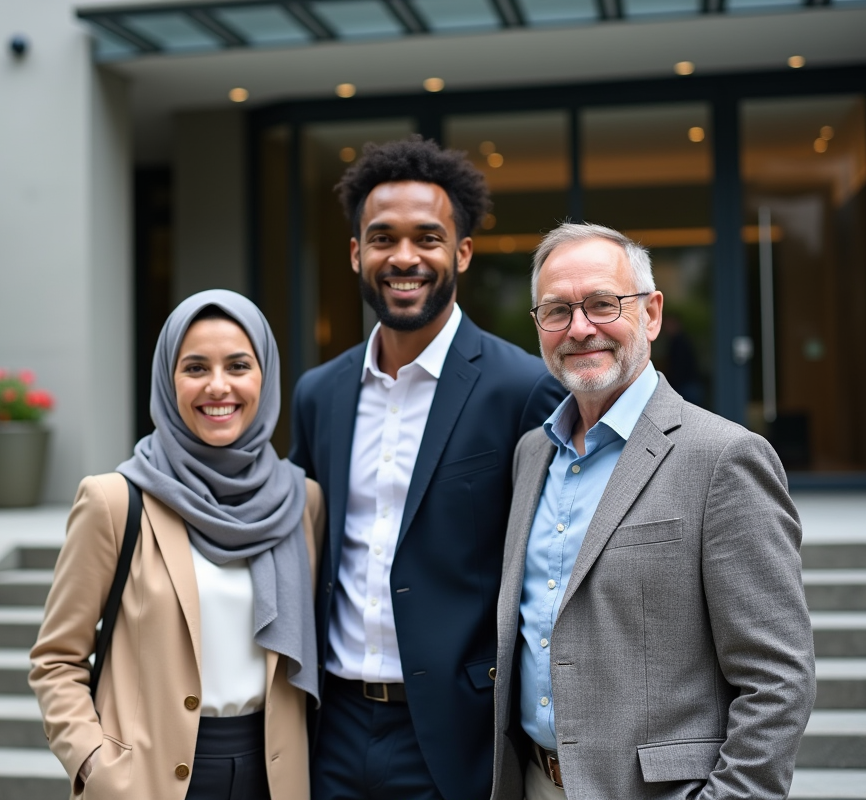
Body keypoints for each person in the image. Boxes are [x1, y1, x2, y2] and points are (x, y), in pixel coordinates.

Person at [489, 222, 815, 800]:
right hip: (533, 781)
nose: (580, 328)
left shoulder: (724, 458)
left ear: (652, 313)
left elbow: (778, 681)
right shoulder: (531, 454)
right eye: (558, 310)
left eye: (602, 304)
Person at [290, 136, 565, 800]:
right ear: (355, 253)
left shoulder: (523, 388)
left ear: (462, 253)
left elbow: (552, 558)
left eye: (428, 238)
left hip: (455, 735)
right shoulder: (319, 394)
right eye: (382, 238)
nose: (404, 257)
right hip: (331, 725)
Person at [30, 290, 325, 800]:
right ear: (168, 381)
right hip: (147, 779)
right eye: (195, 368)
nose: (218, 385)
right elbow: (56, 659)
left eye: (238, 365)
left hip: (274, 775)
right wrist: (94, 763)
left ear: (266, 376)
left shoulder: (301, 501)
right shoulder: (114, 501)